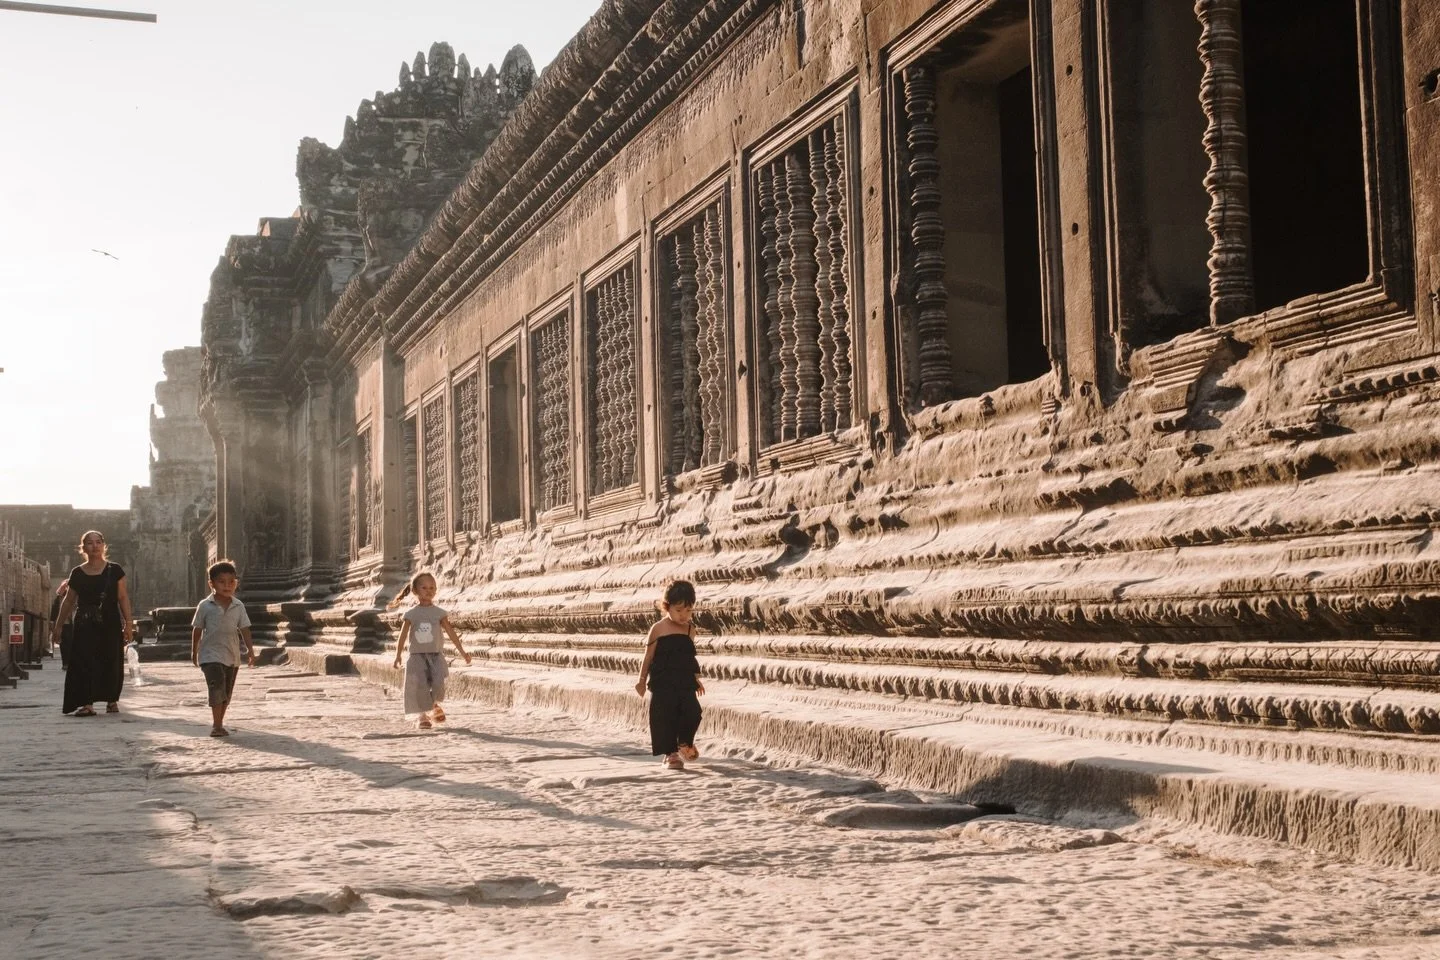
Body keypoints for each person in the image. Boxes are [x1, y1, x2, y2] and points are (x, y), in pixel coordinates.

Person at [52, 530, 132, 716]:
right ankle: (87, 703)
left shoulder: (115, 570)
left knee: (110, 659)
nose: (94, 546)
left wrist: (129, 624)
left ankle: (112, 700)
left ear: (103, 545)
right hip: (85, 623)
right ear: (83, 548)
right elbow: (69, 601)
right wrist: (58, 626)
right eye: (90, 543)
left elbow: (122, 597)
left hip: (110, 621)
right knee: (84, 661)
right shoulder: (77, 573)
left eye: (98, 542)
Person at [634, 580, 705, 769]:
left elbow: (689, 657)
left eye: (688, 610)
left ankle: (684, 742)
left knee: (693, 712)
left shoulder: (690, 630)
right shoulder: (658, 628)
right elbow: (648, 656)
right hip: (662, 681)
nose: (684, 615)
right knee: (665, 716)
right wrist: (641, 680)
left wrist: (696, 680)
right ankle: (670, 754)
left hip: (684, 680)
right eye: (679, 610)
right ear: (667, 607)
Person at [389, 572, 471, 729]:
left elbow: (451, 633)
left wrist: (462, 652)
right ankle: (422, 716)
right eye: (424, 587)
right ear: (415, 591)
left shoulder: (439, 613)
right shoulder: (411, 614)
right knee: (420, 686)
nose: (429, 591)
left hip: (436, 656)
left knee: (439, 684)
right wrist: (398, 655)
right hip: (416, 656)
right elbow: (403, 635)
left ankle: (433, 705)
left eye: (432, 587)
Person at [190, 559, 256, 738]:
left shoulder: (238, 606)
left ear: (236, 583)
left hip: (232, 655)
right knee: (216, 687)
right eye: (222, 582)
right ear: (211, 584)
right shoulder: (205, 605)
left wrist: (250, 651)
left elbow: (245, 629)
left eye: (231, 582)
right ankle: (217, 725)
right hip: (210, 655)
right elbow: (197, 629)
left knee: (226, 692)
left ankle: (220, 721)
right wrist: (194, 650)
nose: (227, 586)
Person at [48, 582, 73, 669]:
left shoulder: (71, 599)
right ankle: (66, 663)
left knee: (68, 644)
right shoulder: (58, 600)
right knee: (65, 644)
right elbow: (54, 612)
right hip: (63, 625)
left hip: (69, 624)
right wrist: (53, 623)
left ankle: (67, 663)